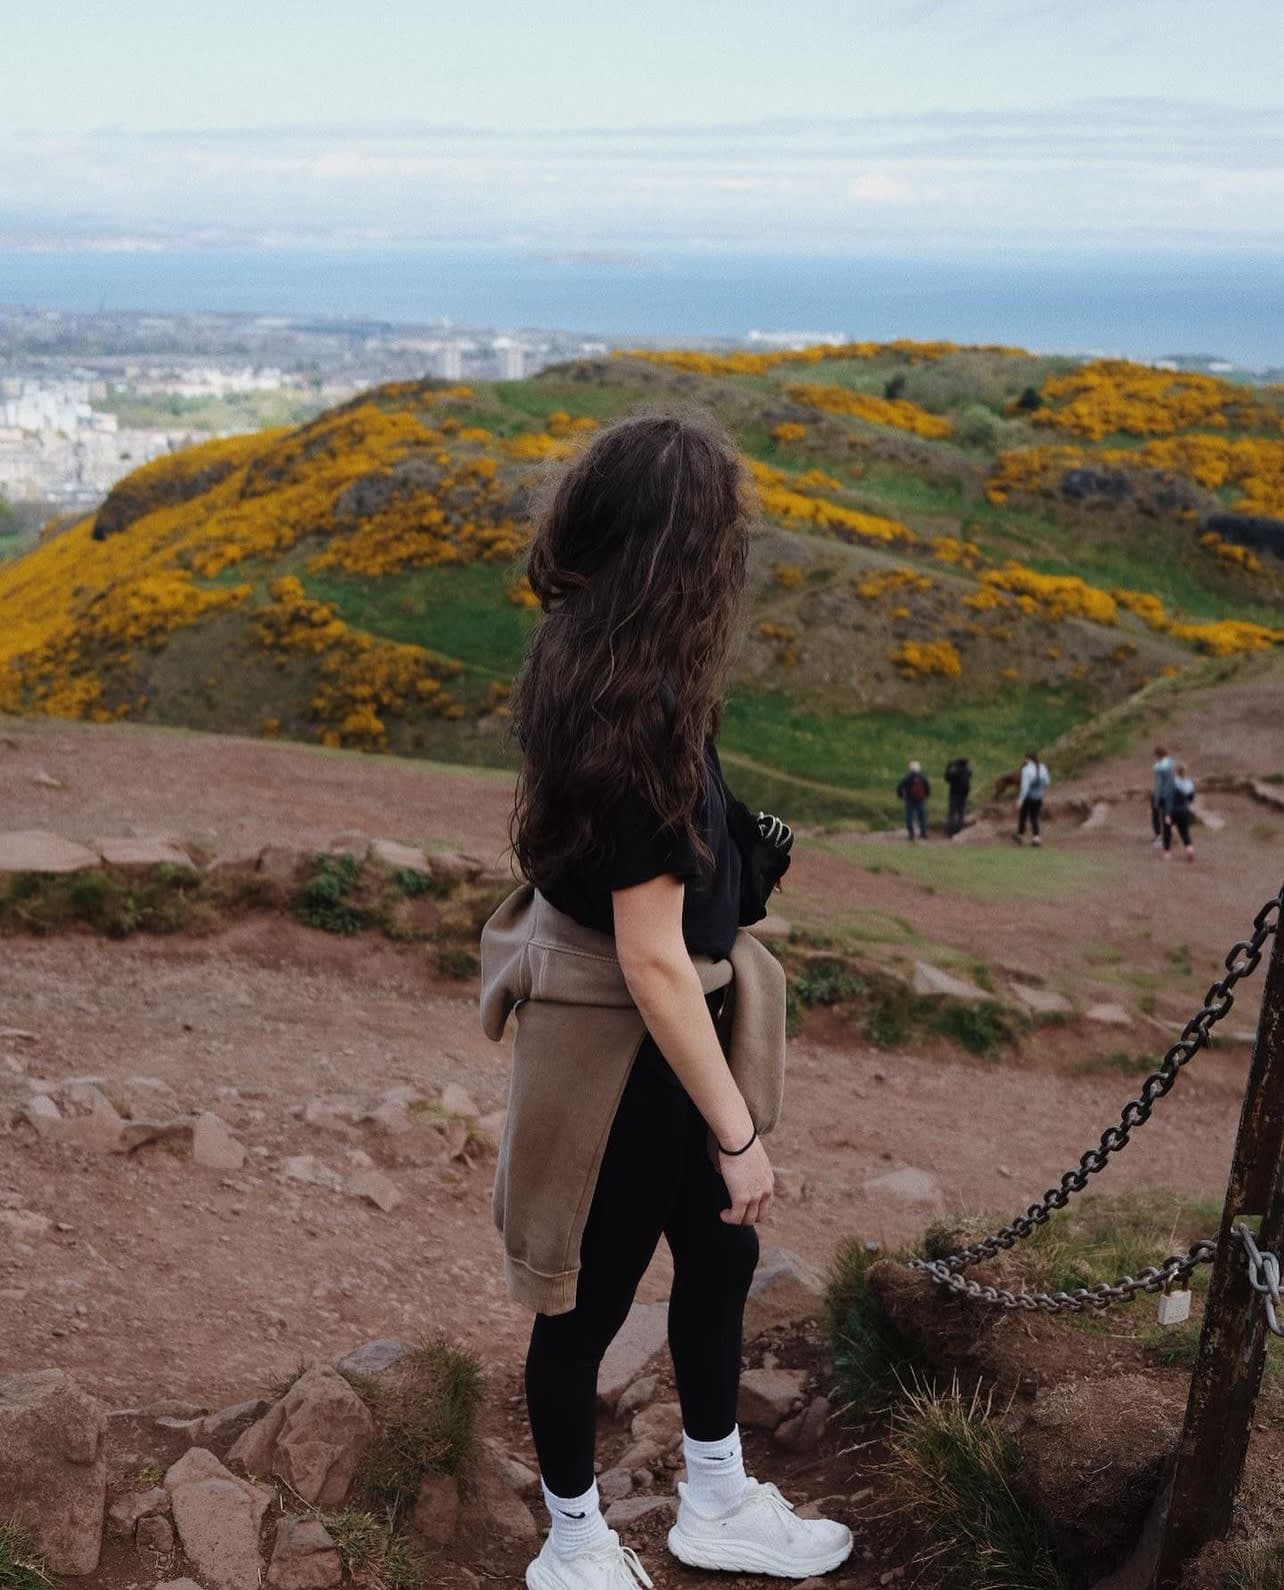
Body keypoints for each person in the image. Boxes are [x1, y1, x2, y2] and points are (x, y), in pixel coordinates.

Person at [480, 413, 853, 1589]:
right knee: (583, 1307)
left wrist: (739, 850)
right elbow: (649, 959)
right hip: (625, 1045)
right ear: (687, 560)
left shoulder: (588, 651)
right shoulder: (640, 715)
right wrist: (737, 1135)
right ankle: (575, 1545)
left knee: (721, 1259)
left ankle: (717, 1497)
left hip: (655, 1023)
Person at [1014, 750, 1051, 846]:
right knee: (1034, 817)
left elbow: (1025, 787)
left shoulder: (1026, 769)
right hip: (1038, 797)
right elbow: (1047, 782)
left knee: (1023, 816)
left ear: (1027, 758)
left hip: (1028, 797)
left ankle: (1020, 836)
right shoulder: (1042, 767)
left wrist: (1020, 800)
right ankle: (1036, 838)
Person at [1163, 763, 1197, 862]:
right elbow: (1191, 798)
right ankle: (1189, 849)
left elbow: (1169, 799)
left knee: (1167, 831)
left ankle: (1167, 852)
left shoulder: (1172, 783)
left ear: (1176, 772)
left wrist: (1167, 814)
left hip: (1172, 811)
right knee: (1184, 832)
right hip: (1184, 811)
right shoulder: (1189, 783)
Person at [897, 760, 930, 840]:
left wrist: (900, 795)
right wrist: (926, 795)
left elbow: (900, 786)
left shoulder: (907, 777)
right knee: (922, 816)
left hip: (909, 799)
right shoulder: (922, 776)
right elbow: (927, 787)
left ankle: (911, 835)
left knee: (909, 817)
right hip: (920, 799)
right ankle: (923, 833)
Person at [1152, 747, 1176, 849]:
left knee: (1157, 816)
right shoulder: (1171, 764)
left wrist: (1156, 798)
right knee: (1168, 815)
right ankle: (1170, 836)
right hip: (1171, 793)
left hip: (1162, 794)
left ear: (1158, 755)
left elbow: (1159, 784)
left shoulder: (1159, 767)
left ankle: (1160, 837)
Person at [944, 756, 972, 838]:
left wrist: (948, 767)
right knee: (961, 812)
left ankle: (951, 831)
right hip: (964, 794)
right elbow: (969, 772)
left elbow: (947, 778)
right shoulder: (968, 771)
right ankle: (960, 830)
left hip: (954, 794)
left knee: (952, 813)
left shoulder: (956, 772)